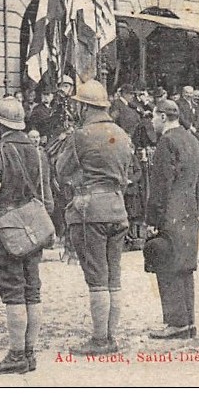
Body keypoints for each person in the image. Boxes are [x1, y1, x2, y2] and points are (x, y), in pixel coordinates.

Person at [0, 97, 54, 375]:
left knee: (13, 294)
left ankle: (16, 354)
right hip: (33, 230)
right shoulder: (37, 152)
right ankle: (30, 354)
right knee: (32, 291)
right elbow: (47, 198)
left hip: (4, 234)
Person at [55, 79, 134, 355]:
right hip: (116, 207)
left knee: (97, 279)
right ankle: (111, 336)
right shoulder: (122, 135)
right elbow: (127, 175)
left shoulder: (80, 136)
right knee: (114, 278)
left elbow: (61, 170)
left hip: (89, 211)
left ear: (85, 107)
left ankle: (100, 340)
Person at [145, 99, 199, 340]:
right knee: (185, 266)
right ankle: (188, 322)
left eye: (154, 117)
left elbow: (160, 184)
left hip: (170, 211)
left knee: (167, 264)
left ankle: (175, 323)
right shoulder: (192, 140)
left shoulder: (166, 143)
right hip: (189, 209)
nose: (152, 122)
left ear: (163, 117)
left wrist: (153, 218)